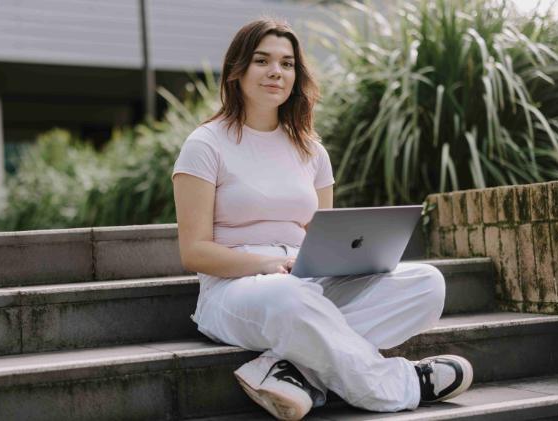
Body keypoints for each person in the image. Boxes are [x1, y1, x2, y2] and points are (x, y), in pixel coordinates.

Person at [171, 17, 473, 421]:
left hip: (306, 281)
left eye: (287, 63)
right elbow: (194, 253)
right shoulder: (205, 144)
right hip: (236, 290)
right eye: (262, 61)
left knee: (427, 284)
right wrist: (269, 265)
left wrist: (350, 261)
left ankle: (293, 371)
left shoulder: (311, 151)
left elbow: (325, 237)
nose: (276, 71)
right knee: (289, 296)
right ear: (237, 70)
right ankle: (401, 384)